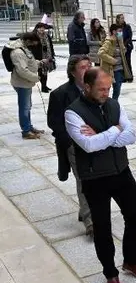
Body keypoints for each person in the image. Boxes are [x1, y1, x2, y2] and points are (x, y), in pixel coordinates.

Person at [64, 68, 136, 283]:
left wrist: (104, 136)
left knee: (134, 216)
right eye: (101, 89)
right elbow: (89, 145)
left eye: (108, 88)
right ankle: (110, 274)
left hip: (121, 171)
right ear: (87, 87)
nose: (106, 92)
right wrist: (115, 130)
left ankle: (131, 261)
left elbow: (131, 136)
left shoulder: (115, 104)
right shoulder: (73, 113)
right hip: (95, 179)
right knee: (102, 227)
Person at [48, 55, 93, 238]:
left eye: (89, 65)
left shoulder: (96, 89)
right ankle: (91, 221)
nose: (88, 69)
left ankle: (85, 210)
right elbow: (55, 123)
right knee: (84, 180)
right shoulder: (59, 94)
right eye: (83, 67)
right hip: (75, 146)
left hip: (96, 143)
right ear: (73, 72)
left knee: (97, 179)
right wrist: (70, 142)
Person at [6, 32, 46, 139]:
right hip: (22, 83)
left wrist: (39, 62)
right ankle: (26, 131)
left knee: (27, 106)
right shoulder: (18, 52)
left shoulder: (23, 47)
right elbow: (22, 71)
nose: (33, 45)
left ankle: (29, 126)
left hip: (26, 83)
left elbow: (28, 61)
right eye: (33, 43)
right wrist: (36, 78)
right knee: (24, 107)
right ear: (28, 41)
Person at [98, 24, 132, 100]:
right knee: (115, 89)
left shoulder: (119, 40)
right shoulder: (109, 42)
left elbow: (123, 51)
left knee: (118, 89)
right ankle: (112, 104)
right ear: (114, 31)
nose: (121, 33)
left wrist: (122, 45)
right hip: (113, 70)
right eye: (119, 31)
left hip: (120, 68)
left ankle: (113, 104)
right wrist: (113, 61)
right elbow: (101, 53)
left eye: (121, 31)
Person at [31, 22, 55, 92]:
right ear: (37, 28)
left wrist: (52, 54)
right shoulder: (34, 36)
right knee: (41, 72)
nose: (42, 29)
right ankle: (43, 86)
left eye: (43, 28)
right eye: (40, 28)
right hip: (39, 57)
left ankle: (45, 85)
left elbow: (51, 45)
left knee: (46, 71)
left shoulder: (47, 35)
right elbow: (33, 48)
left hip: (47, 55)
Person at [115, 14, 134, 83]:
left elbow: (130, 36)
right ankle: (123, 77)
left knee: (128, 61)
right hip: (119, 47)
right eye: (121, 18)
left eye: (123, 18)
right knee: (122, 62)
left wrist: (124, 44)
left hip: (127, 46)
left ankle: (129, 76)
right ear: (118, 19)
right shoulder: (115, 27)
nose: (123, 19)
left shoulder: (127, 27)